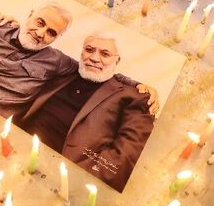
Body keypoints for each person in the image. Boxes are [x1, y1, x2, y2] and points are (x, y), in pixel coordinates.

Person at [0, 6, 157, 119]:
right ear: (30, 14)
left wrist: (139, 85)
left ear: (57, 38)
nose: (41, 33)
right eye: (39, 22)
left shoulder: (56, 62)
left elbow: (95, 66)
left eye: (51, 32)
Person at [18, 34, 155, 192]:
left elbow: (125, 156)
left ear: (117, 61)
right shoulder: (64, 71)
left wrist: (79, 180)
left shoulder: (134, 96)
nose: (94, 58)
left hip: (64, 178)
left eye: (105, 54)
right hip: (20, 150)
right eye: (89, 50)